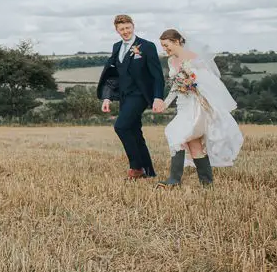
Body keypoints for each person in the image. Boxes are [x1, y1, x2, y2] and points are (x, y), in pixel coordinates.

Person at [156, 29, 244, 187]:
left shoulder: (193, 58)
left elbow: (210, 81)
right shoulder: (171, 61)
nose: (165, 49)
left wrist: (195, 88)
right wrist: (165, 103)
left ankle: (174, 180)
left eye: (166, 45)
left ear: (176, 42)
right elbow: (176, 85)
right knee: (193, 144)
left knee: (175, 134)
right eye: (162, 46)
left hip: (196, 105)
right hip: (183, 105)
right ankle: (207, 183)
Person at [96, 14, 165, 180]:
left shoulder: (147, 46)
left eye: (128, 28)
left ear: (133, 26)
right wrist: (107, 97)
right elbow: (114, 75)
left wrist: (158, 97)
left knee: (121, 127)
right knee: (134, 131)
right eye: (122, 29)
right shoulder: (116, 47)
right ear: (117, 30)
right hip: (124, 96)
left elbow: (157, 75)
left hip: (139, 94)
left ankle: (136, 168)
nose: (125, 31)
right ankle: (149, 172)